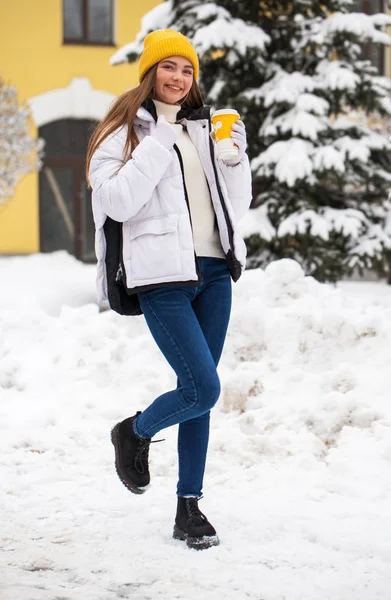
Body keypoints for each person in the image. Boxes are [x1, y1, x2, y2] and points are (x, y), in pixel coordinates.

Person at [87, 29, 252, 550]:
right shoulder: (123, 133)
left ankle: (189, 508)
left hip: (215, 273)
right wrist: (158, 136)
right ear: (150, 72)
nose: (179, 78)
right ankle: (134, 431)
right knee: (202, 387)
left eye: (187, 70)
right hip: (162, 276)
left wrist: (233, 161)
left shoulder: (204, 129)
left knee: (199, 396)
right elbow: (117, 201)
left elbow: (234, 207)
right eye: (169, 68)